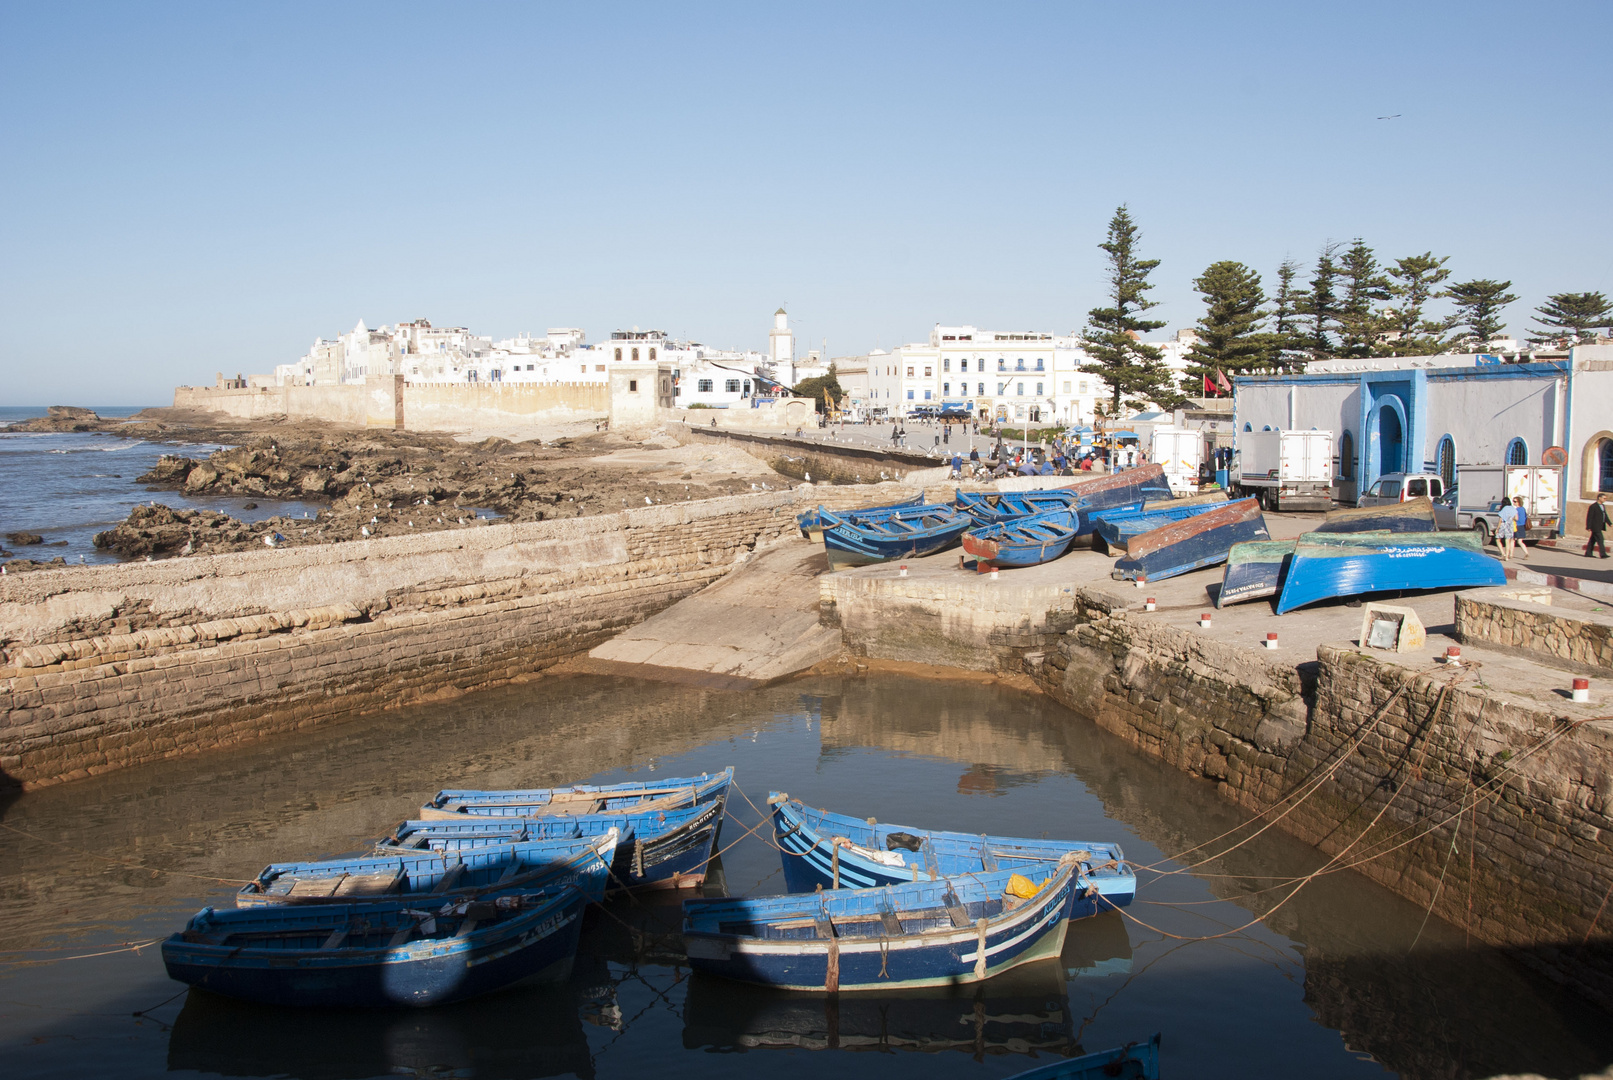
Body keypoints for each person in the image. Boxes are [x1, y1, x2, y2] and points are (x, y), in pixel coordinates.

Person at [1587, 493, 1610, 559]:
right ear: (1599, 498)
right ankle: (1603, 554)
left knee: (1592, 540)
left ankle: (1588, 553)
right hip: (1595, 526)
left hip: (1600, 525)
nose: (1605, 499)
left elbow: (1605, 516)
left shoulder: (1602, 506)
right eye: (1604, 498)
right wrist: (1588, 526)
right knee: (1600, 540)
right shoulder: (1593, 506)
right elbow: (1589, 517)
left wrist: (1609, 523)